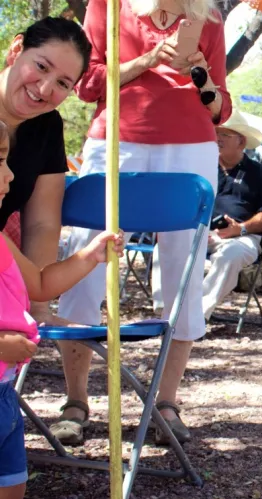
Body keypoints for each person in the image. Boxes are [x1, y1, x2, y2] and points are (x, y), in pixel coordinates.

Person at [53, 0, 232, 446]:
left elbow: (220, 108)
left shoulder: (208, 17)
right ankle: (76, 401)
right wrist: (152, 58)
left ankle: (165, 402)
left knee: (183, 272)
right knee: (86, 263)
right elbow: (90, 84)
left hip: (192, 149)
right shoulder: (107, 8)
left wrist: (200, 75)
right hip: (117, 140)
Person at [0, 120, 124, 499]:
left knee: (9, 493)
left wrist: (89, 258)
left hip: (5, 398)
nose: (11, 175)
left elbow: (41, 285)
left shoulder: (1, 242)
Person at [0, 17, 91, 312]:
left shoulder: (48, 127)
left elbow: (42, 223)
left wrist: (34, 308)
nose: (44, 88)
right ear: (16, 49)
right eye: (41, 66)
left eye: (63, 83)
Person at [202, 110, 262, 319]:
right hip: (201, 233)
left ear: (241, 142)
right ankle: (166, 312)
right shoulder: (204, 167)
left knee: (230, 254)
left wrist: (240, 228)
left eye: (225, 135)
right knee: (164, 248)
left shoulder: (260, 173)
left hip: (243, 237)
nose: (218, 138)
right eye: (216, 133)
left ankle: (196, 314)